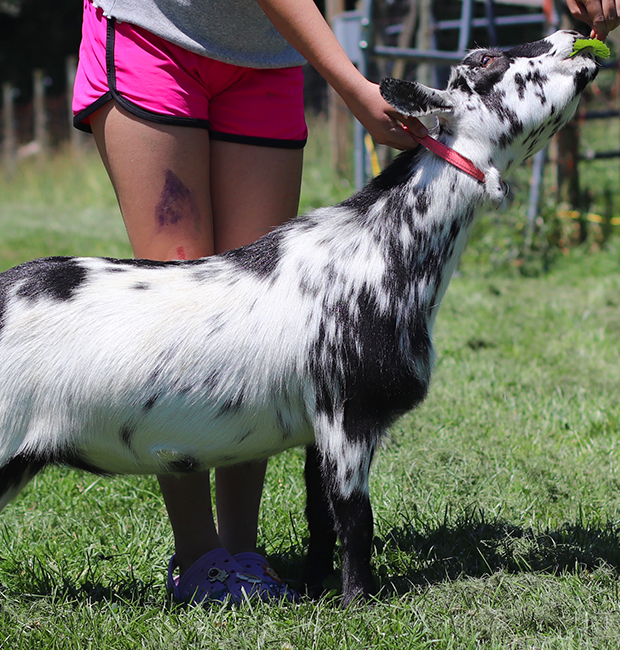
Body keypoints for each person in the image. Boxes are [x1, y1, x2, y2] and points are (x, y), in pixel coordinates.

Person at [71, 0, 617, 604]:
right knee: (182, 295)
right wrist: (354, 85)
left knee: (265, 317)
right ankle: (199, 557)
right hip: (157, 35)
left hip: (265, 55)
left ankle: (241, 552)